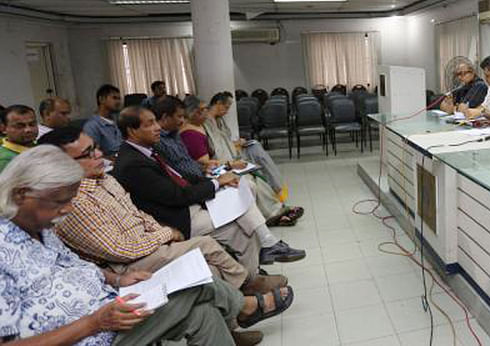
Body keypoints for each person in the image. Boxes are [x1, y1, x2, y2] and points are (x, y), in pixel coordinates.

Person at [0, 146, 293, 346]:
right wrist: (93, 323)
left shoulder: (40, 228)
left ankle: (243, 307)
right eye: (59, 202)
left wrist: (117, 279)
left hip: (109, 308)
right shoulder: (4, 252)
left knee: (201, 313)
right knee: (194, 287)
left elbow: (77, 266)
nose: (66, 210)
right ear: (22, 193)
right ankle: (244, 306)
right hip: (91, 336)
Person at [38, 127, 288, 298]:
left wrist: (161, 233)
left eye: (95, 147)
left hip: (149, 243)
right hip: (127, 264)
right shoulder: (74, 201)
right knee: (206, 245)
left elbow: (139, 215)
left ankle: (238, 310)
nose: (100, 154)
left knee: (215, 263)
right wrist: (166, 234)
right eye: (88, 153)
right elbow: (120, 250)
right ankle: (247, 288)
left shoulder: (105, 179)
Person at [111, 106, 305, 267]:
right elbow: (177, 195)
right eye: (150, 124)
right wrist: (215, 183)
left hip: (186, 204)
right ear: (132, 131)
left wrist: (214, 181)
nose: (157, 128)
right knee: (240, 225)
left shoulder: (146, 150)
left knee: (237, 191)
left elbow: (182, 176)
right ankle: (258, 260)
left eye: (155, 122)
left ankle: (265, 247)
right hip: (179, 218)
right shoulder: (133, 163)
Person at [204, 92, 303, 227]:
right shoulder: (206, 124)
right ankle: (275, 212)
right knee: (254, 178)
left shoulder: (219, 120)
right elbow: (214, 153)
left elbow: (226, 141)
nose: (227, 111)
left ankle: (278, 199)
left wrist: (237, 143)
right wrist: (231, 161)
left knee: (255, 147)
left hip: (233, 156)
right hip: (223, 166)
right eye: (226, 107)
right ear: (218, 104)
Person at [83, 84, 123, 158]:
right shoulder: (92, 126)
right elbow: (91, 155)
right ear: (101, 99)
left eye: (119, 98)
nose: (118, 102)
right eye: (114, 98)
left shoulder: (117, 120)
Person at [0, 105, 38, 172]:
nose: (28, 130)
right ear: (3, 128)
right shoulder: (5, 159)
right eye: (20, 126)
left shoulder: (40, 146)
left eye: (32, 124)